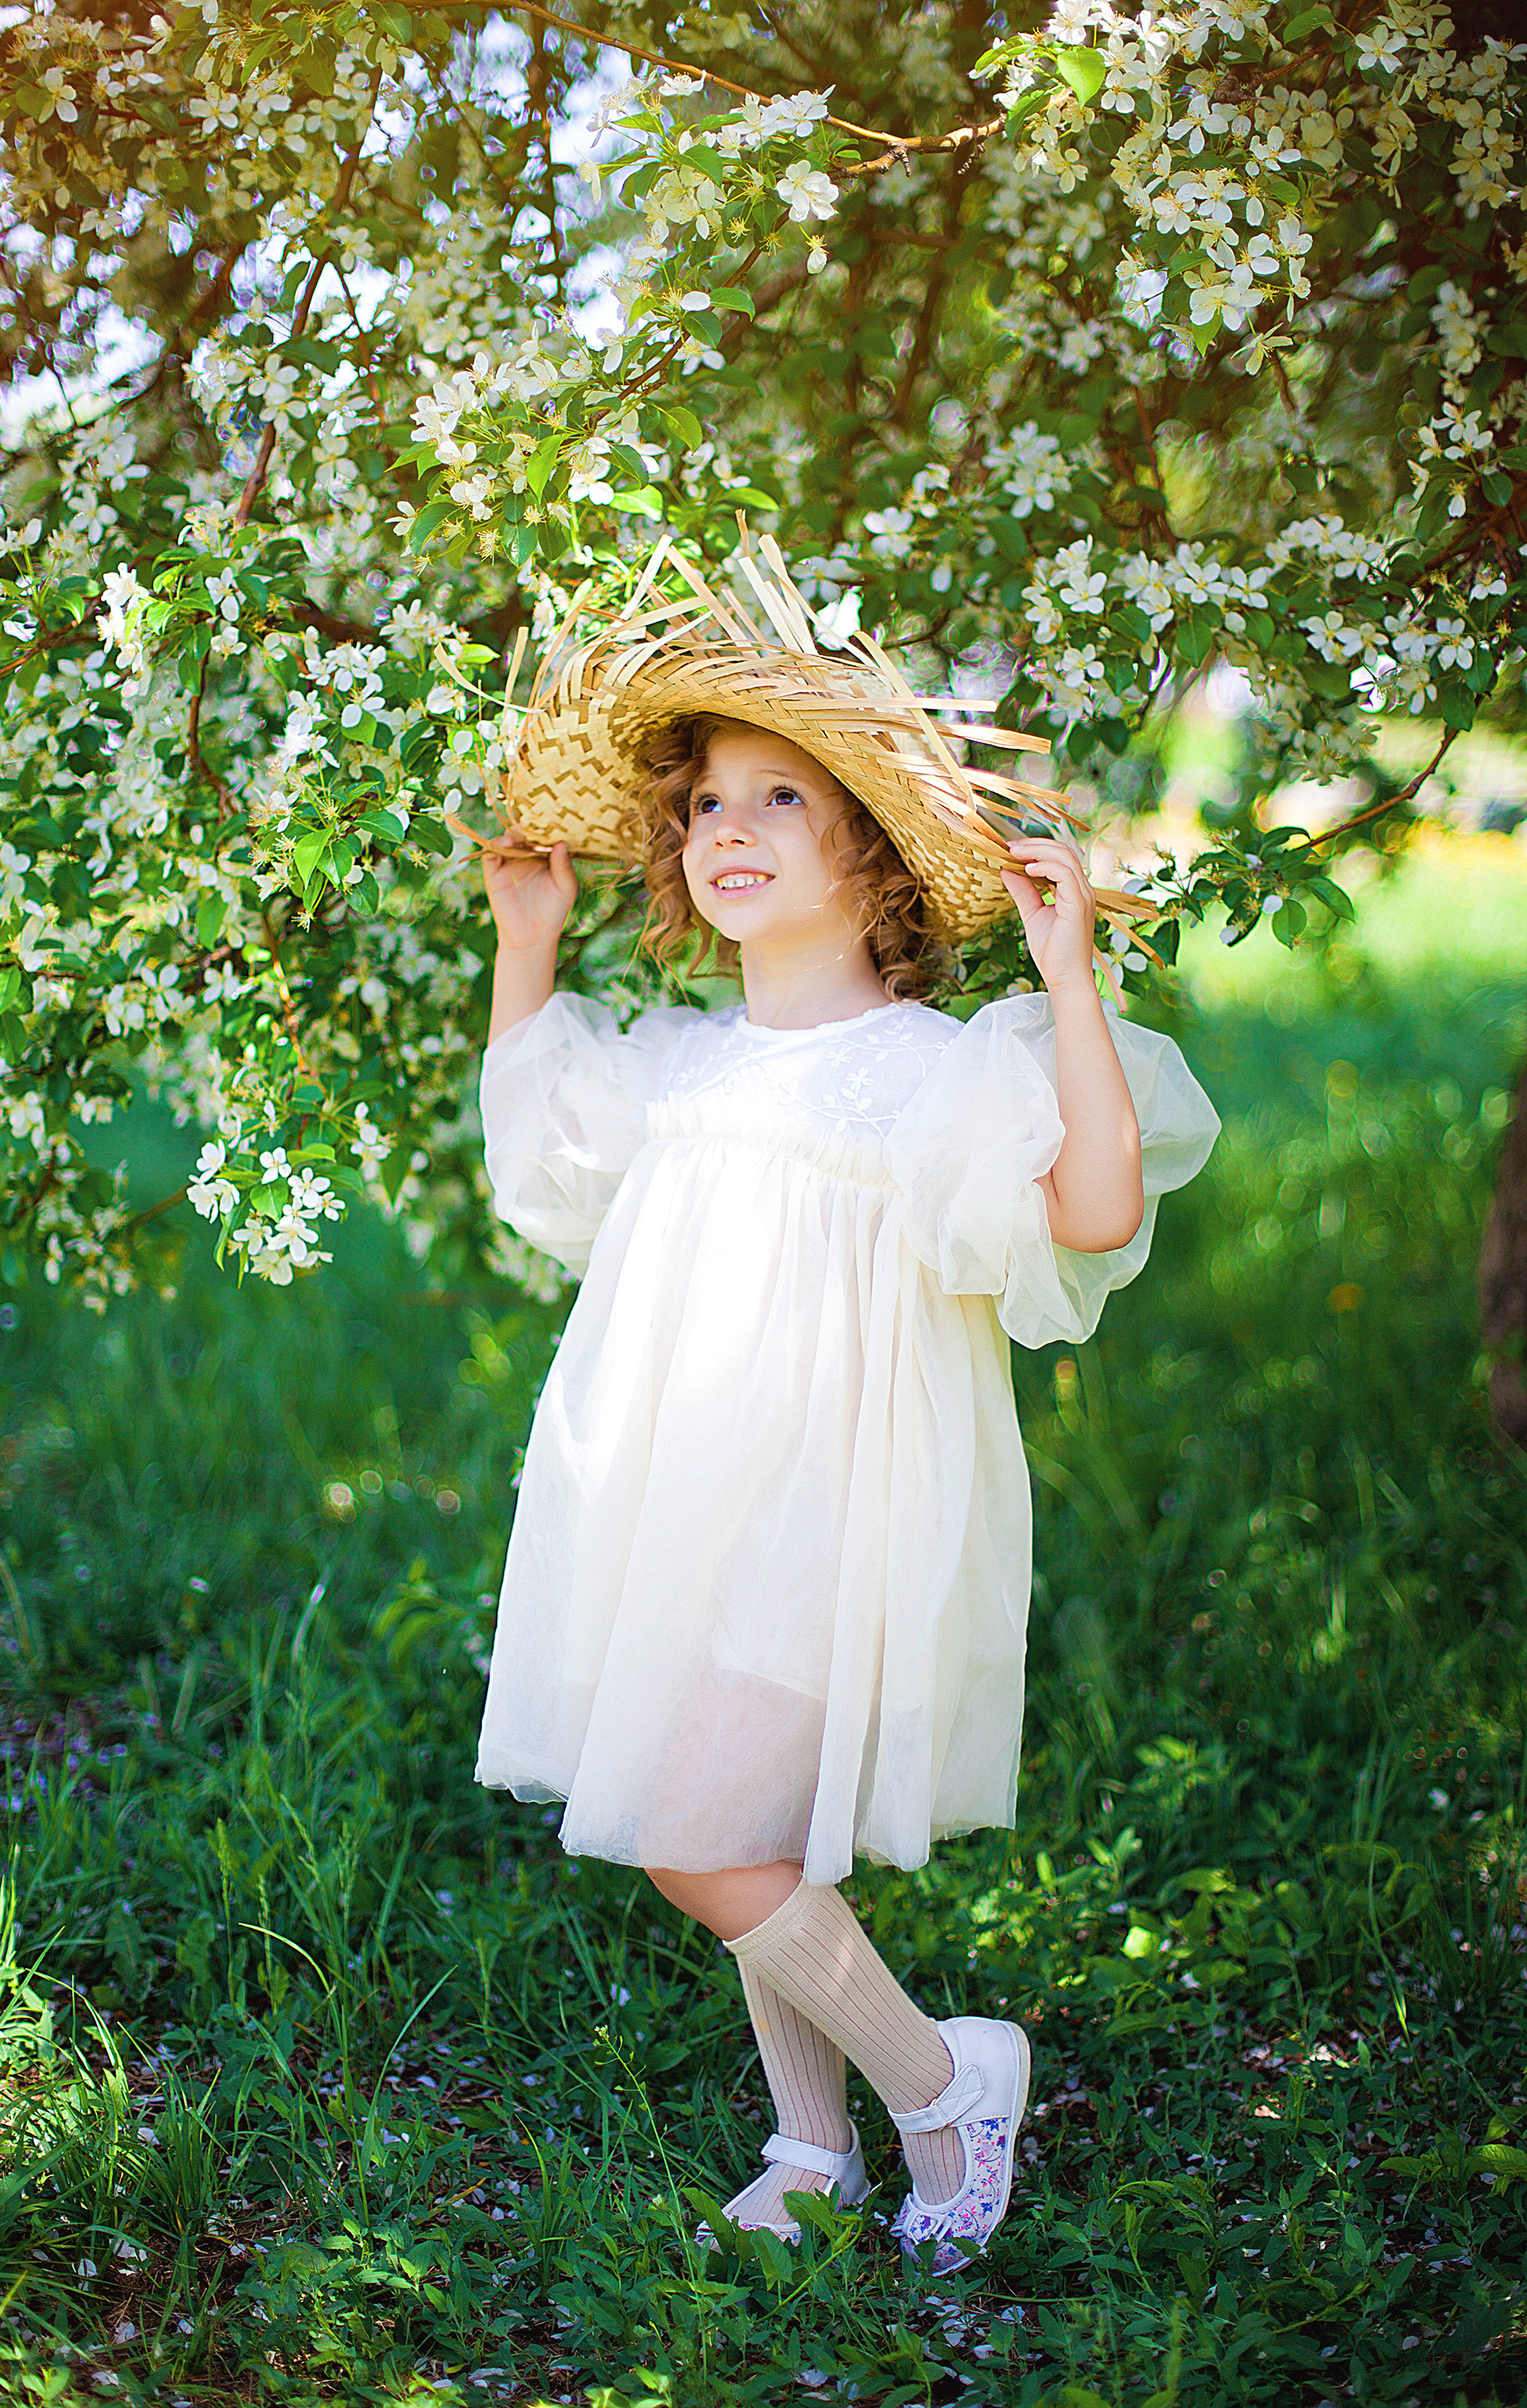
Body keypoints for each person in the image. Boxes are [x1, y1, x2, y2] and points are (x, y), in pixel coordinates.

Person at [469, 536, 1220, 2270]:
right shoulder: (685, 1061)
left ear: (871, 854)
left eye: (779, 802)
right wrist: (528, 942)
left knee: (697, 1833)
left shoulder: (931, 1075)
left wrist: (1068, 981)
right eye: (705, 803)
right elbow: (540, 1160)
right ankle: (812, 2148)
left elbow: (1092, 1210)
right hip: (681, 1491)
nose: (721, 829)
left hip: (829, 1498)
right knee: (740, 1823)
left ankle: (943, 2087)